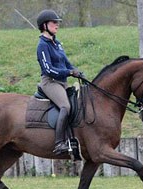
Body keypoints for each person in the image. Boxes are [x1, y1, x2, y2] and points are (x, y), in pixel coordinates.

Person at [36, 9, 81, 155]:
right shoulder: (42, 45)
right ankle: (59, 143)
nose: (57, 25)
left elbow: (66, 63)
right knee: (65, 106)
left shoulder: (57, 43)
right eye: (54, 22)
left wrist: (75, 71)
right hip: (50, 82)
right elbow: (48, 69)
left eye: (57, 23)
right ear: (45, 25)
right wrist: (68, 72)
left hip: (63, 82)